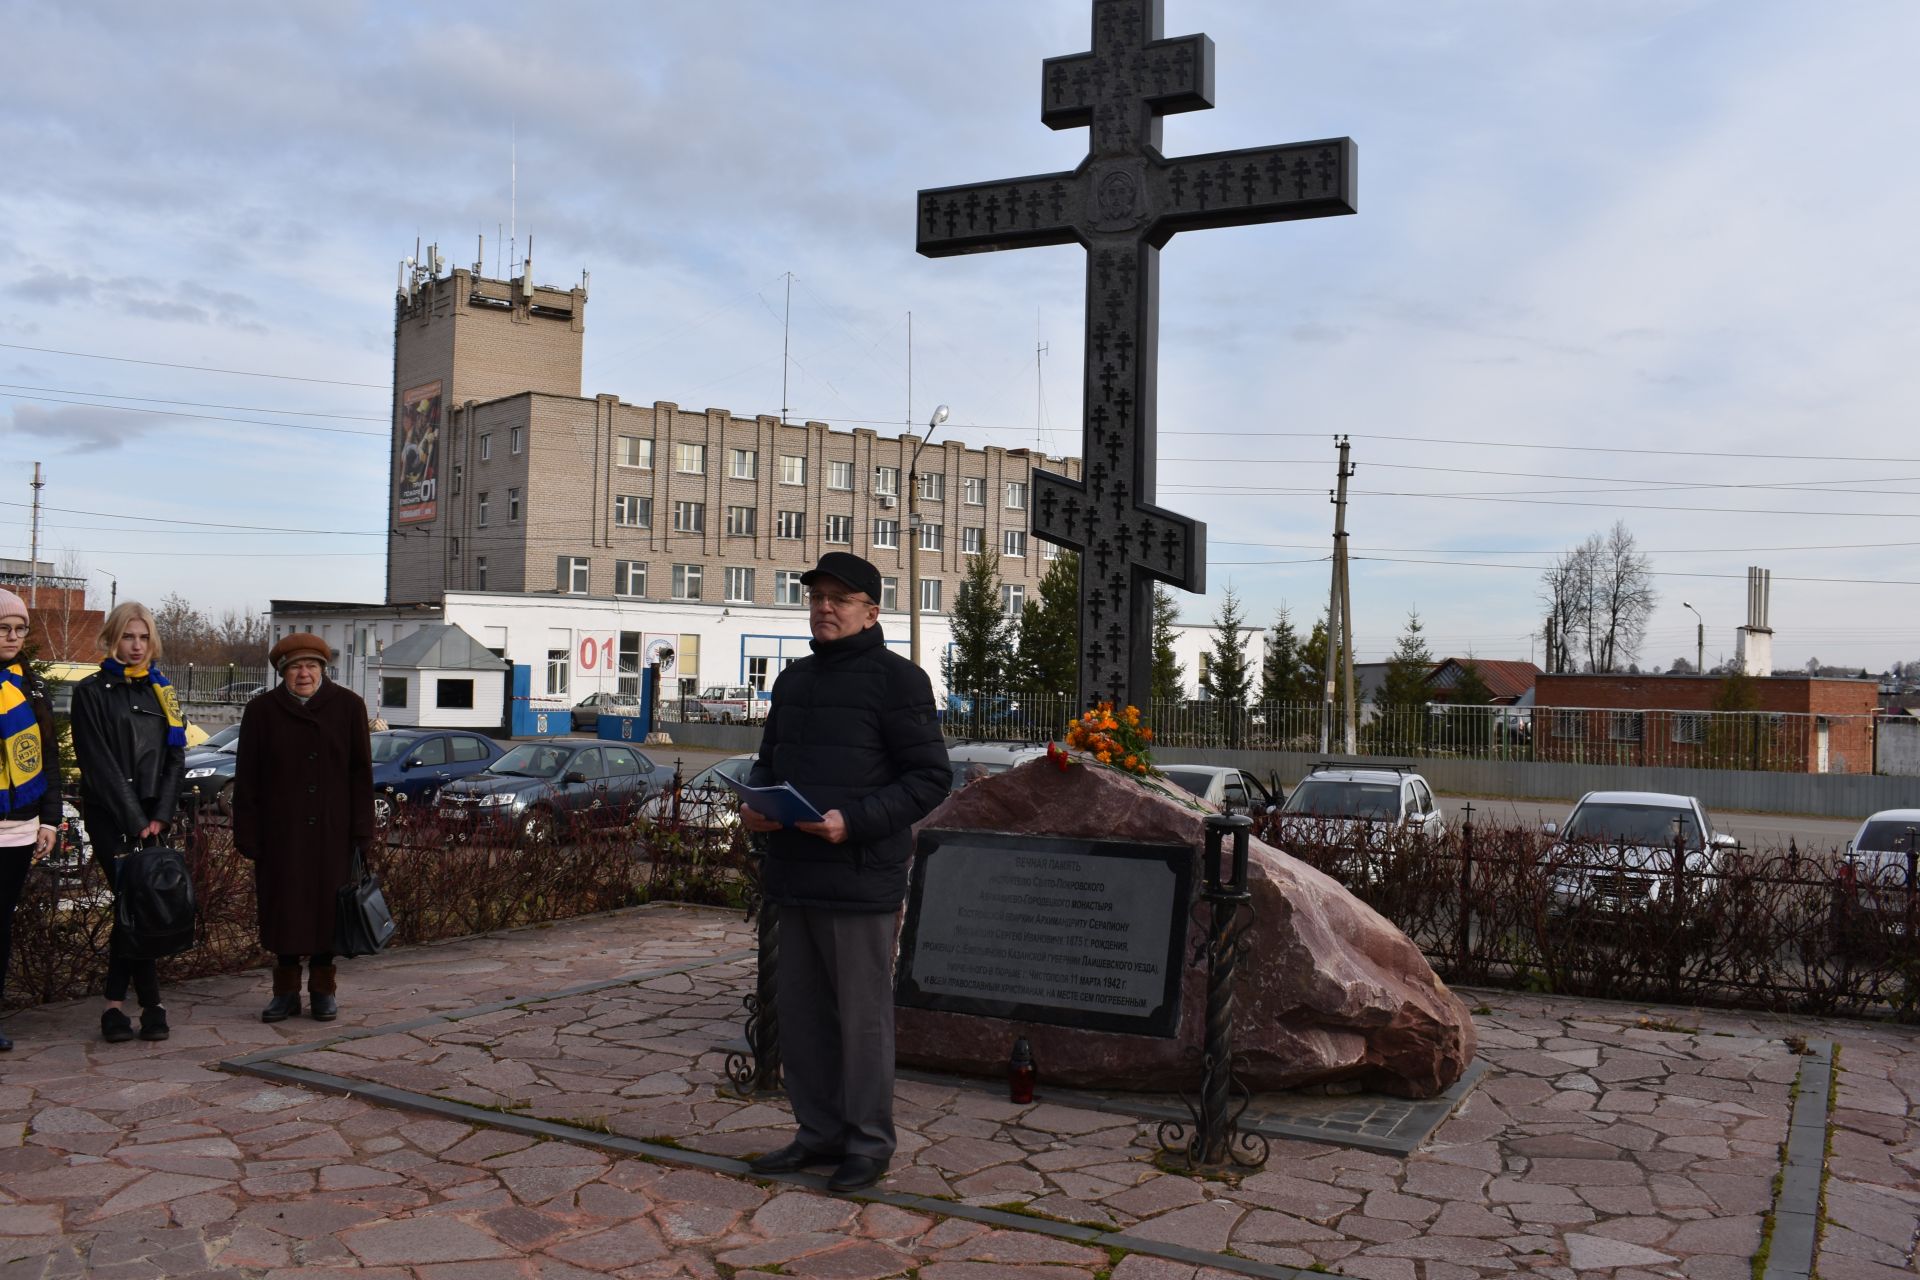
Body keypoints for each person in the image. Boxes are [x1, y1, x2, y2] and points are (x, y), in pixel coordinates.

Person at [740, 551, 950, 1193]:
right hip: (793, 870)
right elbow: (767, 762)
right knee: (800, 1014)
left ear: (870, 611)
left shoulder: (899, 681)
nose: (824, 607)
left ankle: (867, 1143)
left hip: (859, 875)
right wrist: (755, 804)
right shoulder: (795, 681)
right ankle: (818, 1133)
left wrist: (850, 822)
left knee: (860, 1019)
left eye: (840, 598)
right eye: (817, 596)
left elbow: (931, 779)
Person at [233, 633, 373, 1023]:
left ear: (323, 670)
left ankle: (323, 992)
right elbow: (247, 778)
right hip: (282, 834)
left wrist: (363, 832)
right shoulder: (262, 711)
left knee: (329, 913)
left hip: (333, 832)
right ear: (282, 672)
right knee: (285, 912)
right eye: (295, 667)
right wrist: (247, 832)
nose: (304, 673)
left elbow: (361, 773)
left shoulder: (348, 707)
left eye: (311, 666)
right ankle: (285, 993)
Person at [69, 601, 186, 1044]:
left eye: (143, 637)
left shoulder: (163, 689)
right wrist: (135, 820)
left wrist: (160, 816)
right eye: (127, 637)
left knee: (138, 910)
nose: (136, 646)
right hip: (111, 817)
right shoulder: (91, 692)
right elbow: (97, 762)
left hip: (154, 819)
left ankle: (115, 1007)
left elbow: (177, 757)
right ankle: (151, 1005)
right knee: (132, 906)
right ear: (111, 639)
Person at [0, 589, 62, 1052]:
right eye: (4, 628)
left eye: (20, 629)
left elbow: (48, 757)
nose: (13, 637)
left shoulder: (30, 684)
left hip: (20, 825)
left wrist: (49, 819)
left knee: (2, 923)